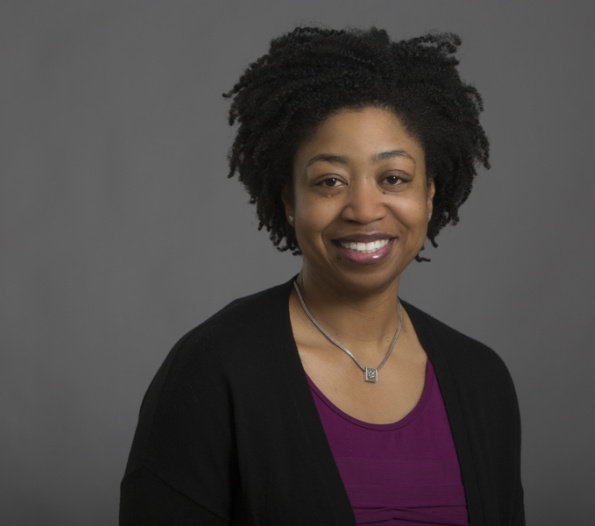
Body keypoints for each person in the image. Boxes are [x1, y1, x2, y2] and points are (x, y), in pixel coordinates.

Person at [120, 27, 525, 526]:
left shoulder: (482, 381)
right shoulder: (213, 371)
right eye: (330, 181)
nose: (364, 209)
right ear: (290, 201)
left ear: (428, 195)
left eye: (393, 178)